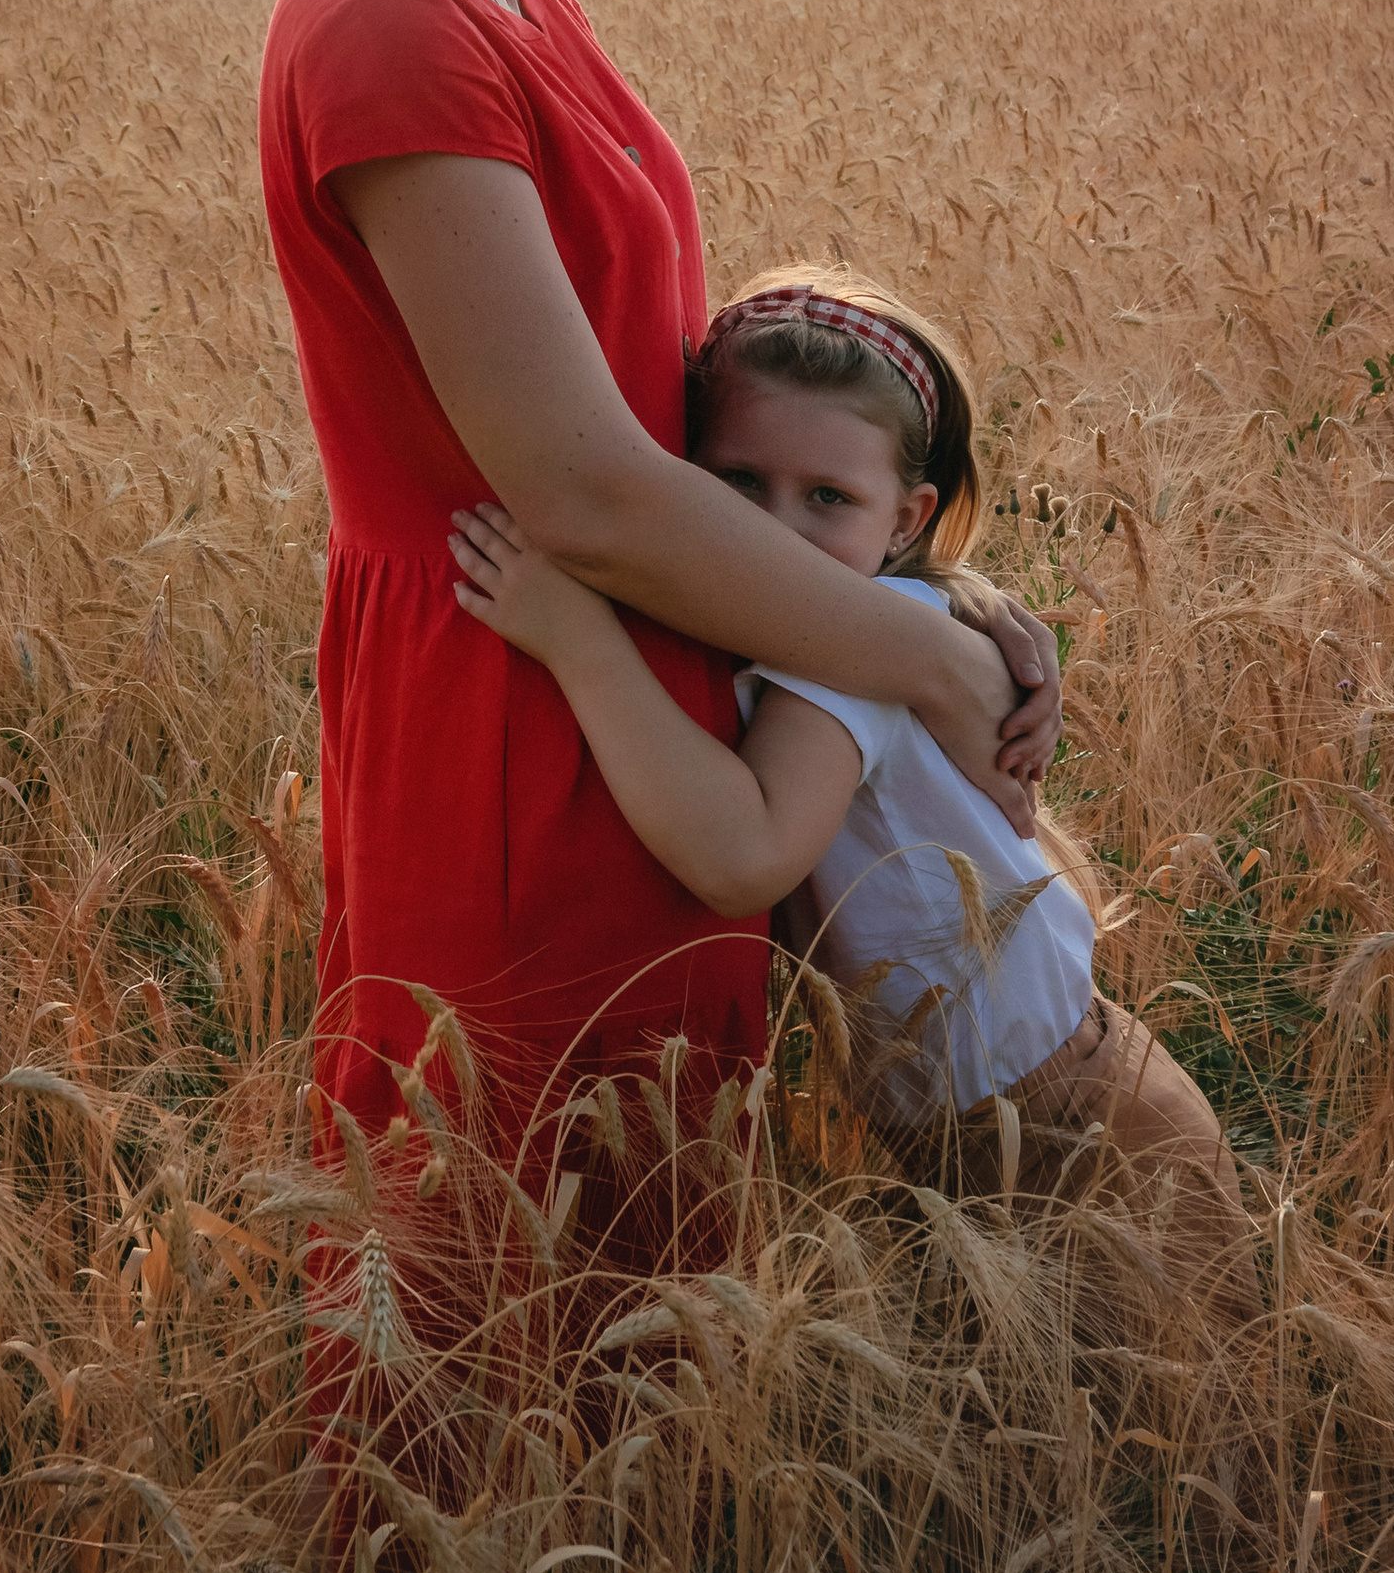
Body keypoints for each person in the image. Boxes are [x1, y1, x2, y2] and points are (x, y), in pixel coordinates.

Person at [253, 0, 1063, 1406]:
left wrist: (922, 590)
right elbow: (587, 485)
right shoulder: (381, 26)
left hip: (643, 688)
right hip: (521, 694)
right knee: (471, 1289)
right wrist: (922, 662)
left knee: (633, 1280)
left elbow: (670, 403)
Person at [447, 266, 1250, 1309]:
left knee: (1190, 1435)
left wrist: (578, 642)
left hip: (1077, 1131)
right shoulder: (873, 619)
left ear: (907, 516)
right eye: (738, 486)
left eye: (827, 498)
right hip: (1003, 1114)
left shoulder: (844, 659)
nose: (779, 531)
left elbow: (742, 854)